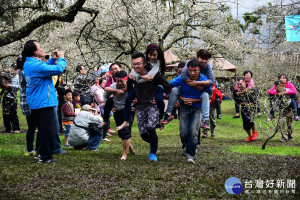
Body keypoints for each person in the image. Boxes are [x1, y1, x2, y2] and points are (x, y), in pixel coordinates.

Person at [23, 40, 66, 163]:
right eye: (40, 48)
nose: (42, 50)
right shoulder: (36, 65)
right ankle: (45, 157)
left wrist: (52, 59)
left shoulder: (30, 63)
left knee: (43, 129)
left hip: (37, 101)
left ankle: (40, 153)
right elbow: (58, 69)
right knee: (49, 130)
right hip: (43, 101)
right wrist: (61, 58)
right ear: (35, 51)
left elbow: (46, 69)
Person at [126, 52, 170, 162]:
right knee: (143, 135)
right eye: (133, 64)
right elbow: (129, 89)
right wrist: (133, 99)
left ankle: (152, 154)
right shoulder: (133, 76)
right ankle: (154, 144)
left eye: (138, 64)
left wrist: (159, 96)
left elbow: (167, 86)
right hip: (140, 107)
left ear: (145, 63)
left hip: (152, 106)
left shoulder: (153, 75)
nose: (136, 66)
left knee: (151, 127)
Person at [169, 59, 211, 164]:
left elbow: (208, 95)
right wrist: (181, 99)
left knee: (193, 131)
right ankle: (187, 146)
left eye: (195, 71)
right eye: (190, 70)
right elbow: (170, 85)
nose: (192, 73)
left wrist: (194, 100)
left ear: (199, 70)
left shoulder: (203, 79)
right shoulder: (182, 78)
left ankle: (191, 155)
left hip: (197, 108)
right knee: (184, 132)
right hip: (184, 108)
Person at [162, 49, 214, 131]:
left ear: (199, 70)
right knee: (175, 89)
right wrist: (179, 96)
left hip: (199, 94)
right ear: (197, 58)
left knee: (205, 95)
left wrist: (197, 84)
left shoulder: (206, 69)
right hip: (185, 96)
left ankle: (205, 120)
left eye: (206, 59)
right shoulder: (187, 67)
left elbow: (211, 82)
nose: (204, 61)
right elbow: (179, 78)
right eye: (202, 59)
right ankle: (168, 114)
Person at [117, 44, 166, 130]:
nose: (152, 57)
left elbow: (151, 76)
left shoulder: (158, 62)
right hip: (140, 86)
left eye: (154, 55)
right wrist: (134, 96)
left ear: (157, 54)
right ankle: (126, 121)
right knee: (128, 99)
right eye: (150, 55)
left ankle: (160, 118)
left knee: (159, 100)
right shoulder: (141, 60)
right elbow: (133, 73)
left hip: (155, 85)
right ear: (147, 54)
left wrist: (141, 77)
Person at [103, 70, 135, 160]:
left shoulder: (131, 86)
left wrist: (136, 105)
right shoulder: (113, 86)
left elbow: (139, 95)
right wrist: (111, 106)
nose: (119, 83)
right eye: (118, 81)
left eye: (122, 81)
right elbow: (105, 95)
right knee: (121, 133)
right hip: (117, 112)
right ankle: (129, 145)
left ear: (126, 79)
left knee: (125, 131)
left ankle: (124, 154)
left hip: (128, 111)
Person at [17, 55, 38, 156]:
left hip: (24, 101)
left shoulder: (20, 71)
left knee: (31, 127)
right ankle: (35, 148)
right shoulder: (26, 71)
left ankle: (29, 149)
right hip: (30, 100)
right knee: (35, 126)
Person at [1, 64, 21, 133]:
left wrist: (11, 86)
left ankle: (16, 128)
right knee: (5, 112)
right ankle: (7, 128)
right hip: (6, 96)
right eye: (13, 68)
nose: (14, 70)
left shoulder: (19, 77)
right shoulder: (6, 76)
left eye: (16, 69)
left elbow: (21, 87)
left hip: (13, 96)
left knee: (13, 112)